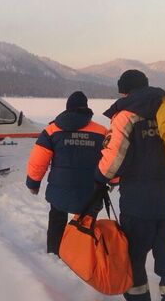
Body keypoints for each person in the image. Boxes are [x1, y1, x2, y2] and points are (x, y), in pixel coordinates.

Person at [95, 70, 165, 301]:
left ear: (124, 91)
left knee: (134, 258)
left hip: (138, 206)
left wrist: (98, 178)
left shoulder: (125, 116)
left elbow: (112, 163)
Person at [25, 91, 108, 255]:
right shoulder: (102, 132)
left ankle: (54, 252)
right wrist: (113, 180)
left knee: (57, 218)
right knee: (86, 223)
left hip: (59, 188)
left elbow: (38, 160)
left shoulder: (51, 130)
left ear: (67, 108)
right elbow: (111, 159)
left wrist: (33, 183)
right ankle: (82, 255)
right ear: (86, 108)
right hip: (91, 189)